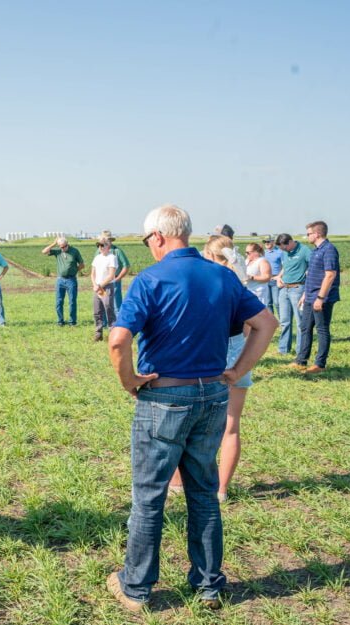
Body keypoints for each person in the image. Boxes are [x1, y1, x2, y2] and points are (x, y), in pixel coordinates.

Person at [106, 206, 276, 613]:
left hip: (164, 399)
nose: (148, 248)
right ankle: (208, 585)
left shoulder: (150, 279)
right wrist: (236, 372)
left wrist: (129, 381)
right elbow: (267, 323)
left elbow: (117, 341)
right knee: (203, 492)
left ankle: (136, 587)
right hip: (213, 396)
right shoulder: (222, 276)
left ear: (159, 237)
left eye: (147, 241)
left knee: (149, 496)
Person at [168, 236, 257, 503]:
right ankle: (221, 489)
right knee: (231, 426)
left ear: (208, 255)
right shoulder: (240, 285)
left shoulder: (207, 283)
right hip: (238, 351)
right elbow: (255, 326)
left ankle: (177, 482)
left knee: (184, 422)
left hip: (207, 353)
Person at [294, 221, 340, 374]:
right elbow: (313, 274)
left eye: (308, 234)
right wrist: (306, 294)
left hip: (322, 297)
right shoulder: (315, 251)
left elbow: (330, 275)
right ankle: (301, 360)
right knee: (305, 327)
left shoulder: (329, 250)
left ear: (317, 233)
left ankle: (320, 364)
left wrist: (320, 298)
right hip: (310, 295)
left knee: (321, 329)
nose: (307, 236)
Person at [275, 233, 312, 356]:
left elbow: (313, 269)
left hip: (298, 288)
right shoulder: (285, 252)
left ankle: (300, 350)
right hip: (284, 289)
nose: (284, 250)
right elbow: (285, 267)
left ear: (290, 242)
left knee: (300, 322)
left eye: (284, 248)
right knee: (285, 321)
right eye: (281, 249)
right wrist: (279, 277)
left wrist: (307, 291)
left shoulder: (304, 250)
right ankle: (283, 349)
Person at [42, 236, 85, 326]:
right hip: (60, 280)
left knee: (72, 301)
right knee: (59, 302)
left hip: (71, 280)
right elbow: (44, 252)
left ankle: (72, 322)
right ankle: (60, 321)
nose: (62, 248)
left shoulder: (74, 251)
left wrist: (75, 270)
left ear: (67, 244)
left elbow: (82, 264)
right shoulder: (58, 251)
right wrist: (54, 243)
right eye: (60, 247)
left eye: (64, 246)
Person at [90, 236, 119, 341]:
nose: (100, 247)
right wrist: (94, 285)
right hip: (97, 287)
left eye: (102, 245)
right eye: (98, 245)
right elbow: (92, 274)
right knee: (97, 311)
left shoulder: (112, 257)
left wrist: (100, 286)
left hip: (106, 287)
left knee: (109, 309)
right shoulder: (97, 257)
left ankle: (113, 333)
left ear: (108, 246)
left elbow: (111, 275)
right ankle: (98, 334)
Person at [100, 230, 132, 312]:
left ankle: (118, 323)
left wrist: (119, 278)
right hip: (102, 281)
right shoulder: (99, 251)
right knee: (103, 302)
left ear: (110, 241)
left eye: (107, 240)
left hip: (114, 279)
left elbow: (126, 265)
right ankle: (104, 323)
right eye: (104, 240)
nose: (106, 242)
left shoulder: (117, 251)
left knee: (116, 304)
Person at [244, 243, 273, 307]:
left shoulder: (262, 261)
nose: (246, 254)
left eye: (248, 252)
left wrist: (251, 277)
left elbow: (267, 277)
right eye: (245, 252)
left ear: (256, 252)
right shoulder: (246, 261)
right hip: (247, 292)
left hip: (259, 293)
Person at [262, 235, 284, 315]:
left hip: (275, 279)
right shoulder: (263, 253)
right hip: (265, 279)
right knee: (268, 303)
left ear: (273, 242)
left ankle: (282, 322)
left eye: (268, 241)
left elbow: (285, 266)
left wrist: (279, 277)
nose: (266, 243)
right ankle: (272, 323)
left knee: (277, 303)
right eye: (265, 242)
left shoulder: (280, 252)